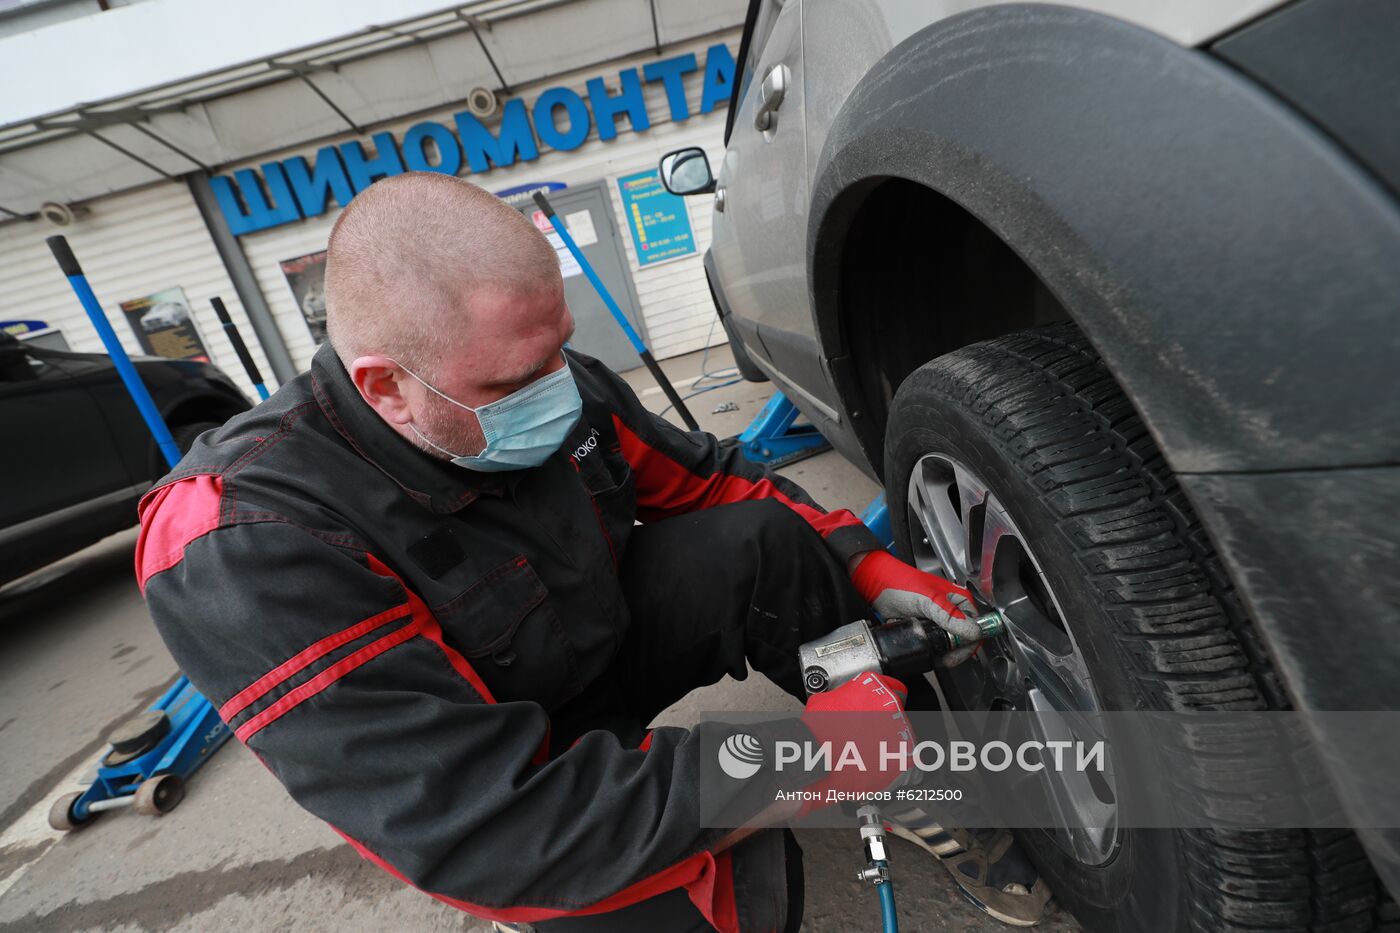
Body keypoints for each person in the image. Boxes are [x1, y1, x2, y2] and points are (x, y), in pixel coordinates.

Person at [137, 173, 1050, 931]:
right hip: (502, 761)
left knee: (764, 541)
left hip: (595, 640)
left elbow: (716, 480)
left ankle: (919, 767)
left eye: (558, 352)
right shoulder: (243, 539)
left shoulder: (547, 373)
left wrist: (864, 564)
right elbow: (484, 825)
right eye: (512, 382)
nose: (555, 390)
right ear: (389, 389)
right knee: (721, 895)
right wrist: (797, 763)